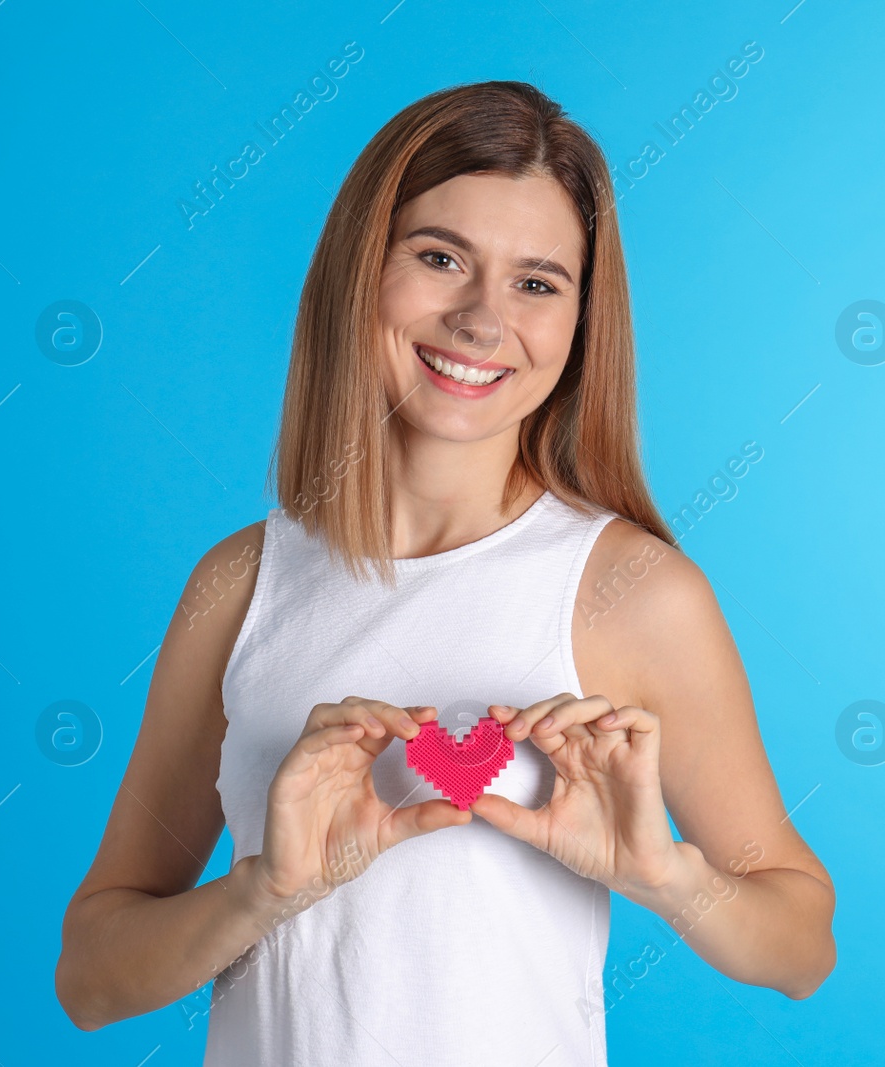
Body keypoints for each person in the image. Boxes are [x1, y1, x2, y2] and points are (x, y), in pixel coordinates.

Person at [54, 80, 835, 1065]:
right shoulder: (239, 584)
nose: (480, 319)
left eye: (537, 283)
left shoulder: (634, 593)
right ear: (358, 270)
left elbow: (801, 946)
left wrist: (668, 875)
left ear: (581, 324)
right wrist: (266, 888)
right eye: (439, 259)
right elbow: (90, 976)